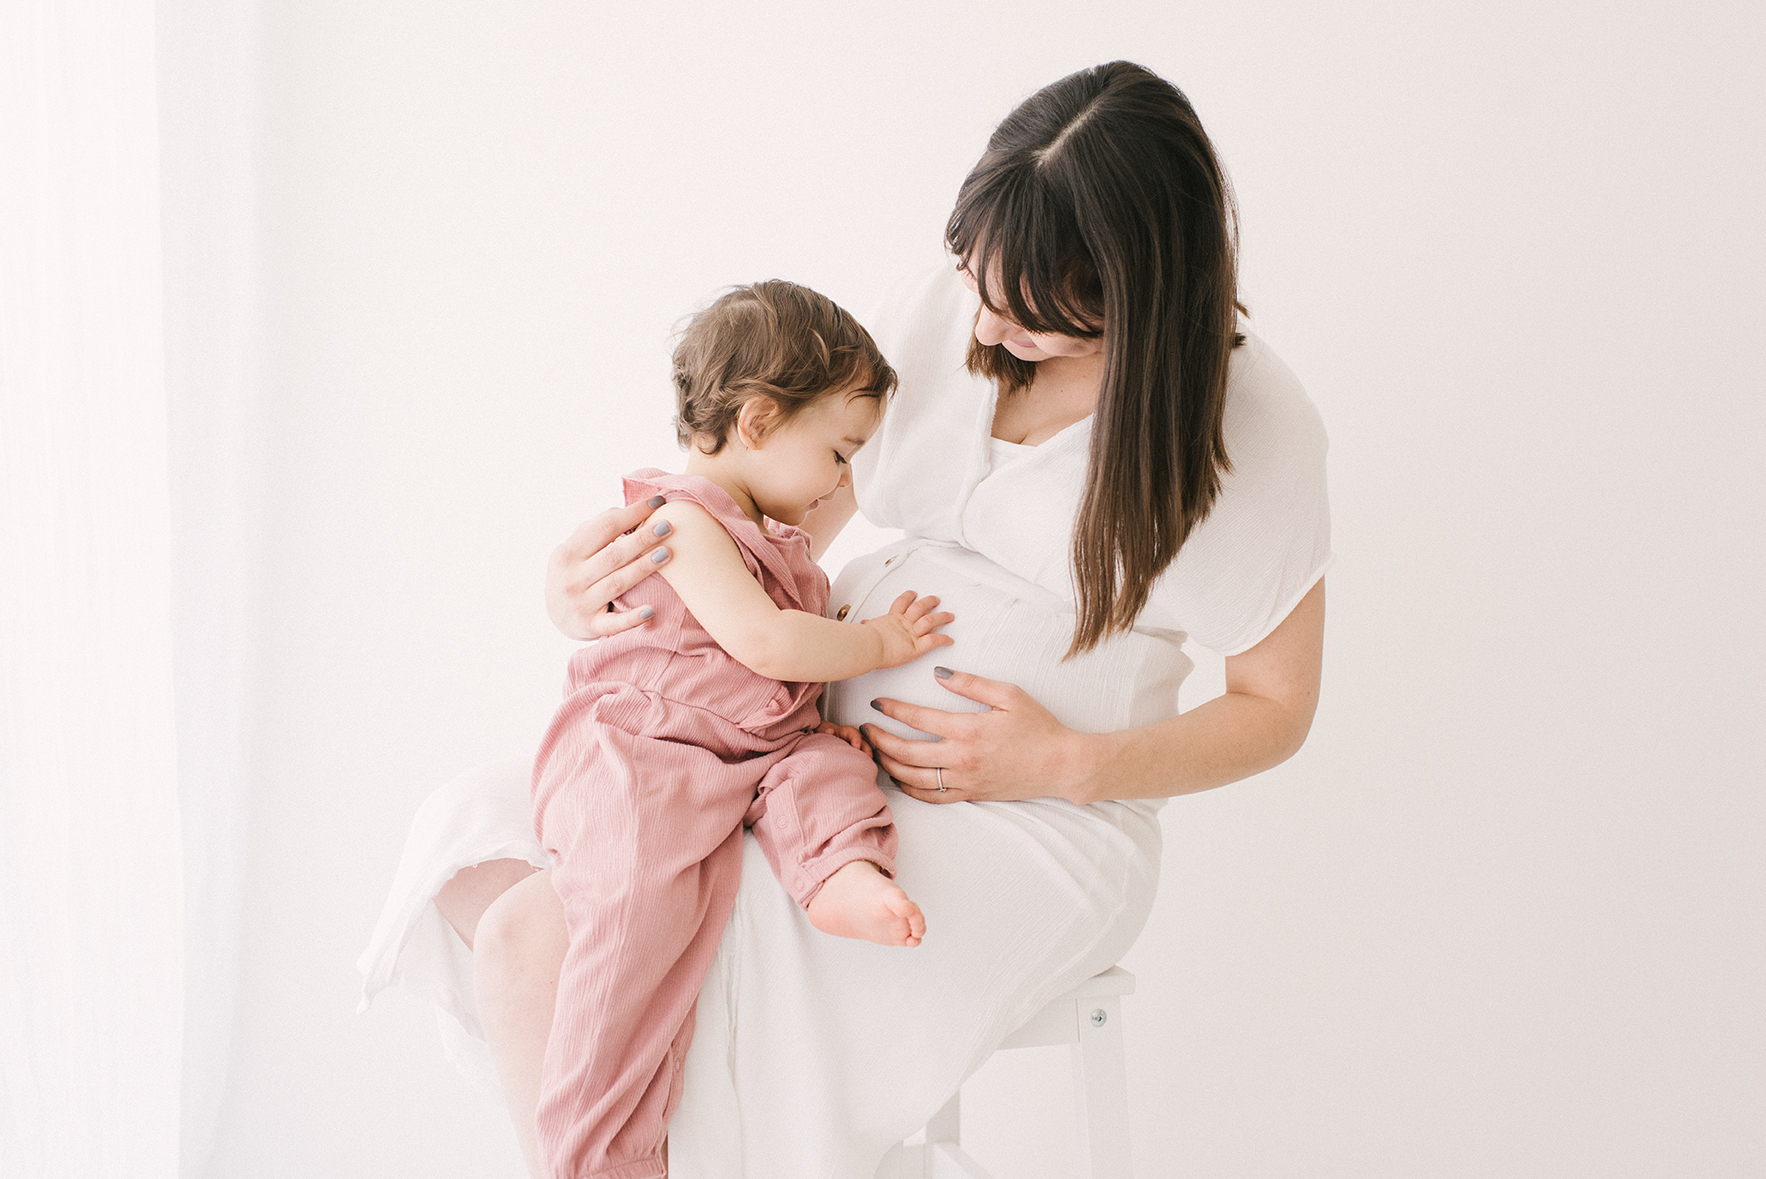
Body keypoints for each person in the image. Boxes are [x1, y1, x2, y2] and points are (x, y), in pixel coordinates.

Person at [358, 59, 1331, 1179]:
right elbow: (777, 516)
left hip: (1035, 825)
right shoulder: (955, 303)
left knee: (551, 935)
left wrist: (1062, 759)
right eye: (974, 275)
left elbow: (1275, 707)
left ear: (1140, 297)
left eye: (1028, 316)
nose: (977, 320)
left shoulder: (1252, 428)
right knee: (477, 849)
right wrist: (610, 586)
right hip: (791, 740)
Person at [526, 280, 953, 1179]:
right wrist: (879, 640)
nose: (846, 482)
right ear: (756, 423)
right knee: (635, 915)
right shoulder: (682, 520)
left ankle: (840, 873)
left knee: (830, 768)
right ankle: (593, 1153)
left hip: (744, 755)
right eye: (838, 453)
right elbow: (764, 641)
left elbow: (833, 506)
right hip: (642, 755)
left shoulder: (774, 529)